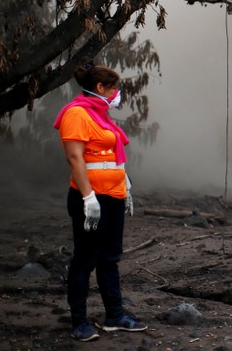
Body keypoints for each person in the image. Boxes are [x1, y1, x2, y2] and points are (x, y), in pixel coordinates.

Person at [53, 60, 147, 341]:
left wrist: (125, 185)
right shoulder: (77, 114)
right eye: (115, 88)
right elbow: (75, 158)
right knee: (85, 260)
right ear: (100, 87)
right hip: (91, 199)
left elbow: (110, 156)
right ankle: (79, 322)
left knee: (110, 258)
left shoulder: (101, 115)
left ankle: (115, 315)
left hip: (114, 196)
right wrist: (88, 197)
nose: (118, 94)